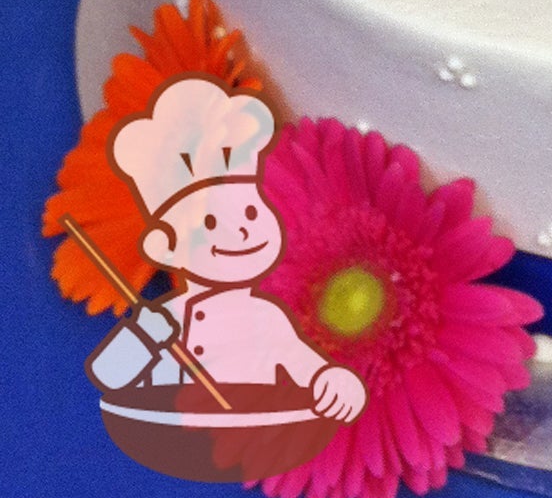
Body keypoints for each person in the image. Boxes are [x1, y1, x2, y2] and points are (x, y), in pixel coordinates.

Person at [85, 74, 366, 422]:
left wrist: (335, 381)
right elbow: (111, 373)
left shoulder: (270, 316)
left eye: (252, 212)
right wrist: (145, 333)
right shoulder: (172, 317)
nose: (244, 233)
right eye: (209, 224)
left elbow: (310, 368)